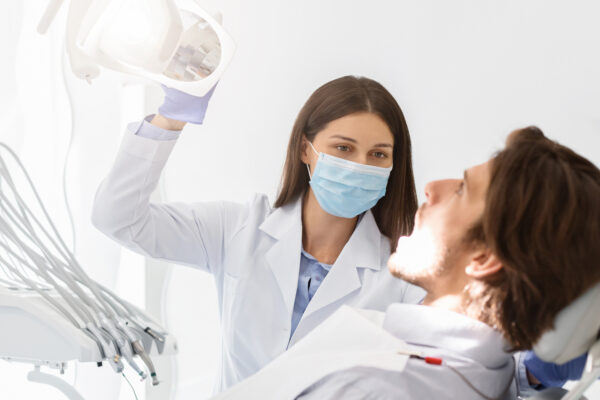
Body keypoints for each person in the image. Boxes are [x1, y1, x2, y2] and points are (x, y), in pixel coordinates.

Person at [210, 126, 600, 399]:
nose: (431, 188)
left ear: (484, 259)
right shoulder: (484, 369)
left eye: (463, 190)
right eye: (344, 148)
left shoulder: (370, 390)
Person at [91, 76, 426, 392]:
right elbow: (118, 218)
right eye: (343, 148)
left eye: (378, 154)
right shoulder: (238, 228)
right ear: (305, 149)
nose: (359, 166)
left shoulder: (404, 277)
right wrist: (171, 117)